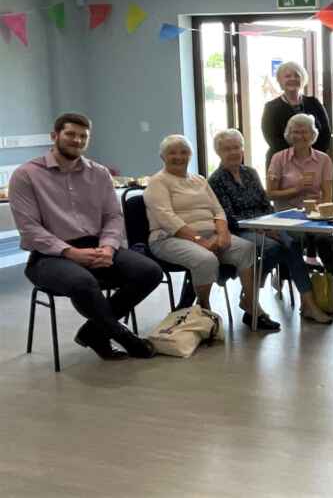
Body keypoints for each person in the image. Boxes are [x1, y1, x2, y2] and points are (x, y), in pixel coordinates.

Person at [9, 112, 160, 360]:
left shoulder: (99, 173)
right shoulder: (26, 175)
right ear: (54, 136)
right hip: (49, 256)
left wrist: (109, 247)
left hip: (97, 247)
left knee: (149, 272)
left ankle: (94, 331)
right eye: (70, 134)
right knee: (82, 283)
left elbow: (113, 216)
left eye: (83, 136)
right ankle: (122, 336)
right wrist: (70, 253)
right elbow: (30, 228)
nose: (77, 140)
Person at [145, 135, 279, 331]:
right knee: (206, 259)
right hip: (169, 238)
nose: (179, 157)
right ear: (162, 156)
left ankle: (252, 308)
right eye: (172, 153)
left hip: (209, 234)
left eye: (184, 152)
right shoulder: (158, 182)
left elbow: (218, 210)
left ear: (190, 155)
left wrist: (223, 234)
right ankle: (204, 310)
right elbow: (167, 218)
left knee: (246, 248)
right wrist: (201, 240)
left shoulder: (198, 179)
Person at [208, 129, 332, 323]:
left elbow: (266, 204)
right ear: (218, 152)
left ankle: (306, 302)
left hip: (265, 224)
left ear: (242, 149)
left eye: (236, 147)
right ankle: (252, 298)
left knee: (291, 244)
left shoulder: (250, 173)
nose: (233, 152)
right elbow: (227, 217)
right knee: (275, 248)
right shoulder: (215, 180)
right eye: (227, 149)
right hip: (240, 230)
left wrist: (271, 226)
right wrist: (261, 229)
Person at [266, 113, 333, 276]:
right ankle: (303, 287)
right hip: (287, 217)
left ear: (313, 135)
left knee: (325, 239)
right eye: (295, 132)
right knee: (295, 239)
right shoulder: (279, 158)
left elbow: (327, 195)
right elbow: (270, 194)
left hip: (316, 217)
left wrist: (323, 216)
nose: (300, 136)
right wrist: (296, 189)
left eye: (305, 131)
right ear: (289, 135)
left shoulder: (323, 159)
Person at [260, 61, 332, 170]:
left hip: (314, 162)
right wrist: (296, 157)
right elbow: (272, 138)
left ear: (302, 79)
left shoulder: (314, 103)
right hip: (281, 164)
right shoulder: (271, 108)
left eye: (297, 75)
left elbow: (325, 133)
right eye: (287, 76)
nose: (292, 79)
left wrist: (311, 156)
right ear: (280, 81)